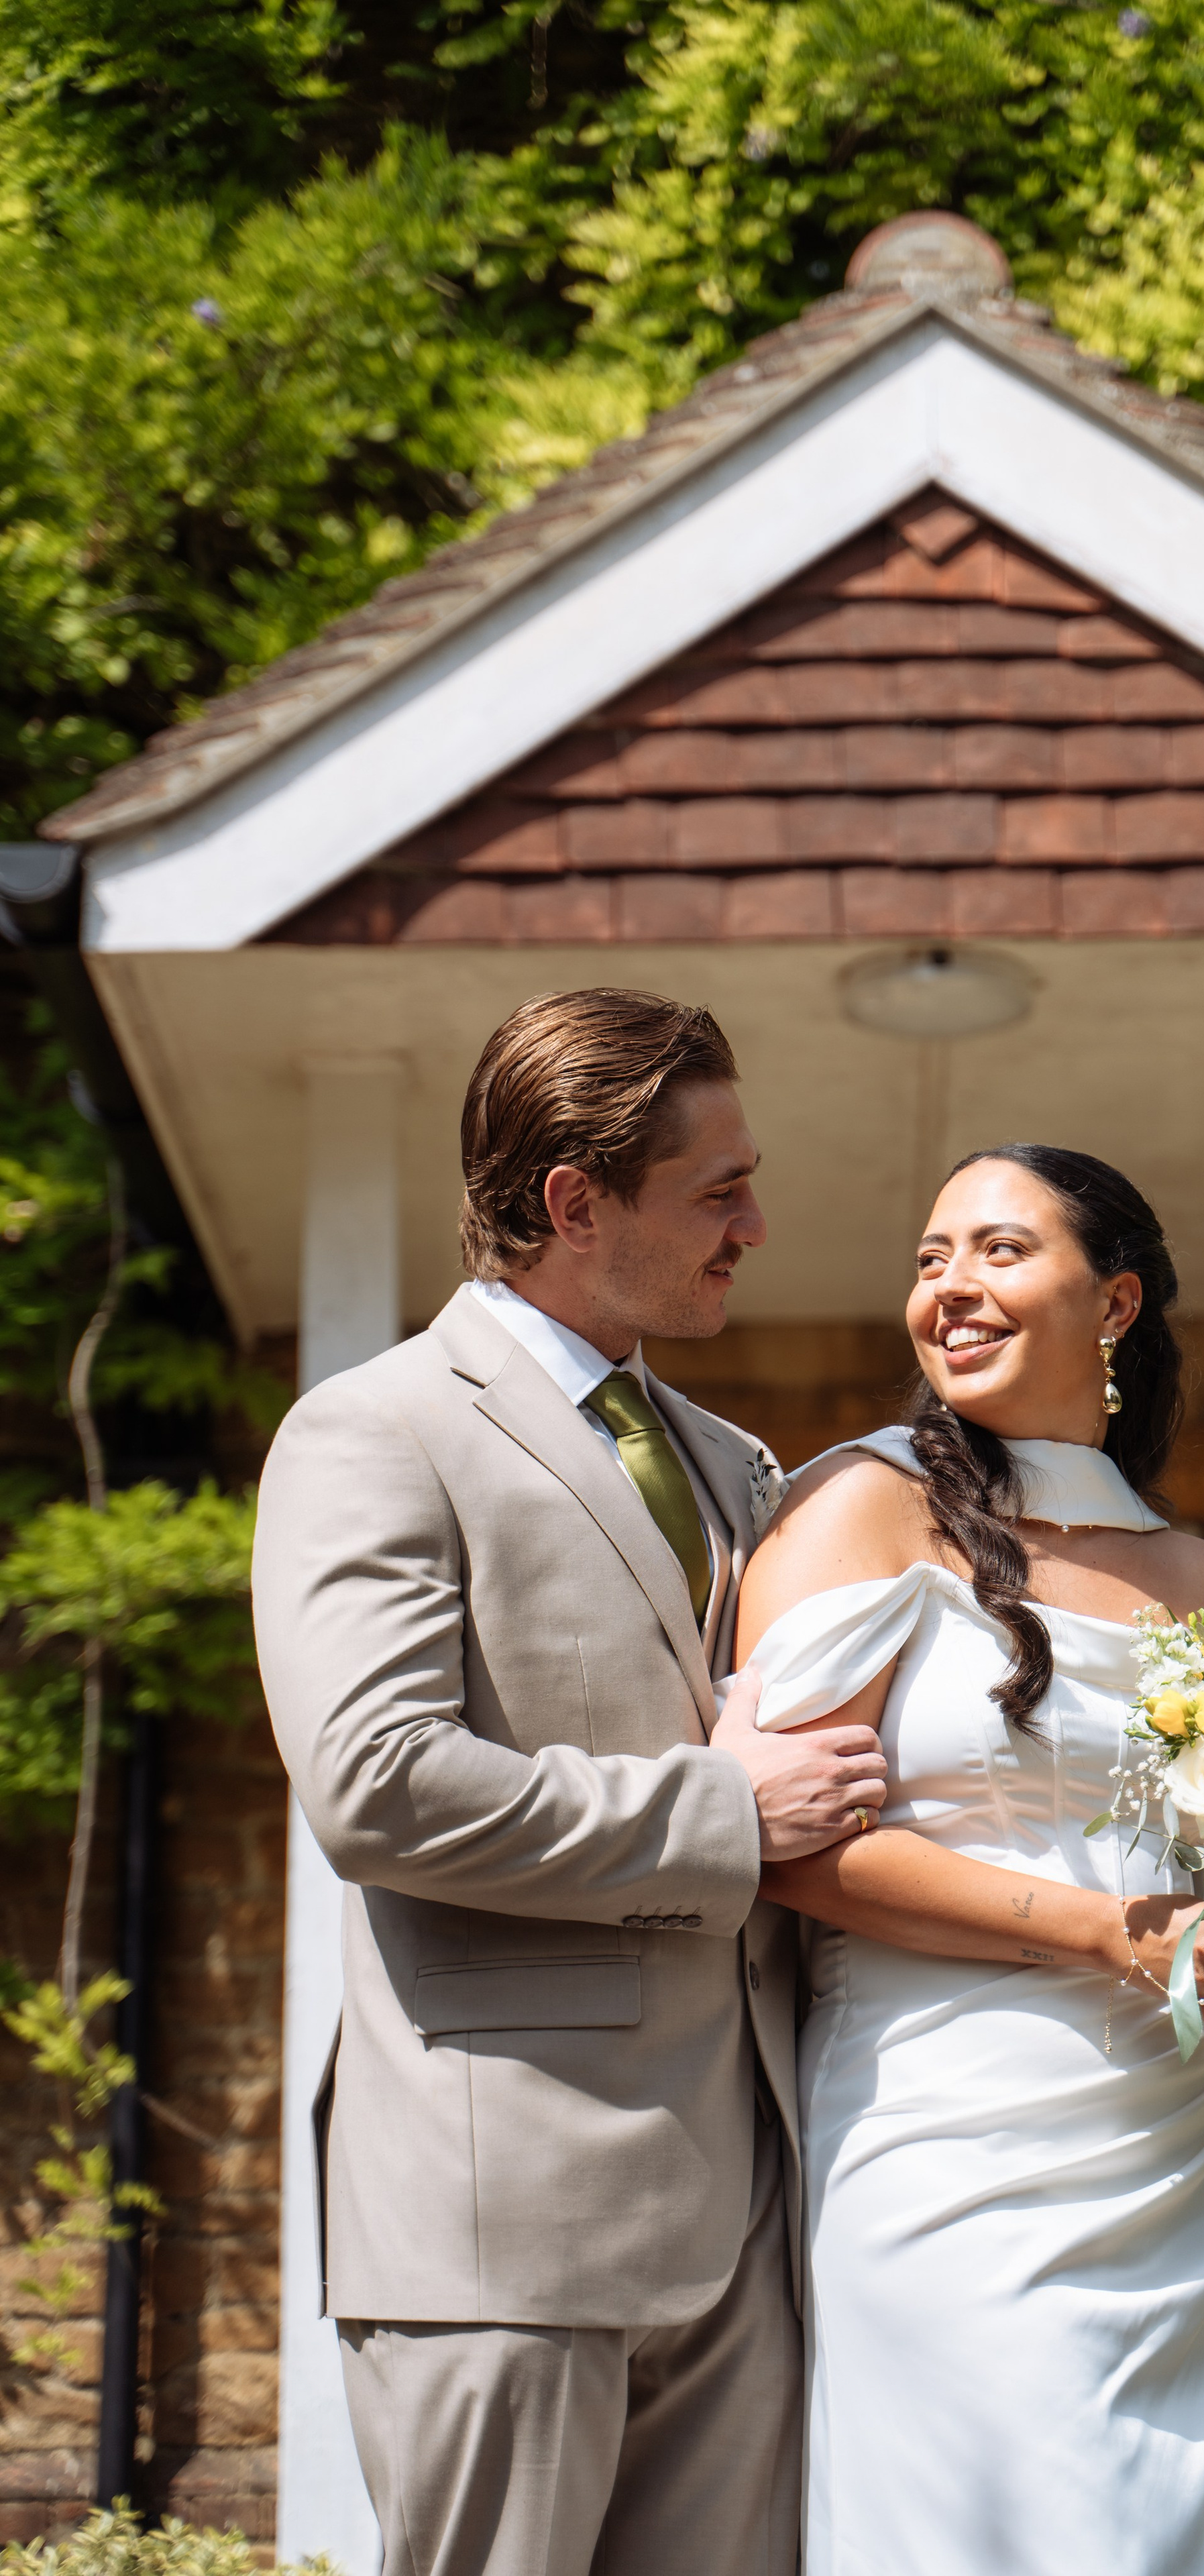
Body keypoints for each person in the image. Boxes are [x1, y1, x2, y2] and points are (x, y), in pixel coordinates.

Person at [252, 988, 887, 2576]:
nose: (757, 1221)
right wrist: (719, 1814)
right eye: (716, 1188)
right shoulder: (374, 1432)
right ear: (571, 1201)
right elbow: (375, 1784)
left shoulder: (740, 1468)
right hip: (499, 2216)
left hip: (745, 2216)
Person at [728, 1142, 1204, 2576]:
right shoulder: (857, 1515)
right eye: (930, 1258)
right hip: (942, 2140)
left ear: (1112, 1301)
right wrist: (1111, 1935)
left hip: (1171, 2156)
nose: (949, 1286)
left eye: (998, 1251)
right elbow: (796, 1851)